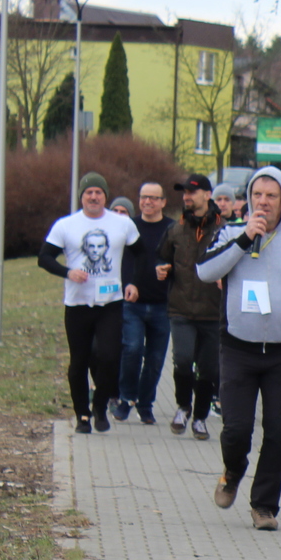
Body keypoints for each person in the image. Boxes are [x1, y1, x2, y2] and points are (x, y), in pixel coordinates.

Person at [195, 167, 281, 530]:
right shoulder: (230, 233)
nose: (264, 202)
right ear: (249, 199)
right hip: (238, 350)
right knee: (236, 429)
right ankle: (233, 469)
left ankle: (264, 506)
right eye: (258, 195)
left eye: (271, 196)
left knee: (278, 432)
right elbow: (204, 271)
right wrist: (244, 239)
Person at [39, 173, 137, 434]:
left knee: (109, 357)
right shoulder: (66, 225)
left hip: (110, 303)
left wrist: (131, 282)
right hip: (77, 304)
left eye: (98, 193)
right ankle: (82, 414)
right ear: (81, 196)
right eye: (88, 193)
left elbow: (139, 256)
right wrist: (67, 272)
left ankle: (100, 407)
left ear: (105, 196)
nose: (93, 197)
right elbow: (44, 258)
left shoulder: (122, 224)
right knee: (79, 361)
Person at [158, 174, 228, 440]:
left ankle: (200, 417)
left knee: (209, 370)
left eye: (192, 192)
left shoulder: (224, 230)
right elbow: (162, 257)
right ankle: (183, 406)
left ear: (207, 195)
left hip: (213, 311)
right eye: (184, 192)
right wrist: (162, 269)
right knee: (183, 361)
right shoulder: (175, 230)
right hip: (182, 308)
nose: (187, 196)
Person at [114, 180, 176, 425]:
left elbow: (183, 263)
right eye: (143, 197)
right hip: (132, 303)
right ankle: (126, 398)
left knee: (155, 359)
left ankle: (145, 404)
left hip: (163, 304)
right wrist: (127, 282)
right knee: (131, 349)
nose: (147, 202)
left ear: (163, 202)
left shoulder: (173, 229)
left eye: (153, 197)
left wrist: (170, 271)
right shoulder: (128, 226)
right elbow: (118, 260)